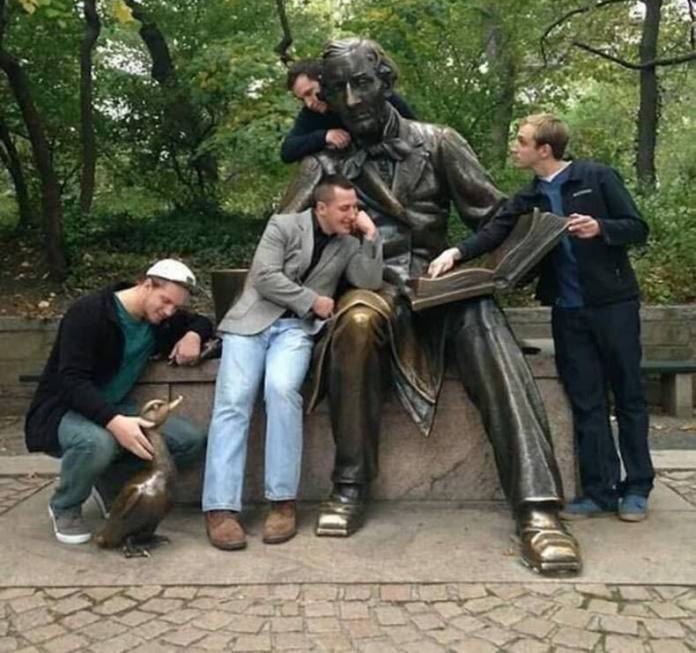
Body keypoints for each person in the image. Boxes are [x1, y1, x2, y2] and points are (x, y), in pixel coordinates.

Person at [280, 38, 581, 575]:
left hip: (439, 284)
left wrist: (498, 264)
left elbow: (495, 218)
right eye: (340, 89)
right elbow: (281, 240)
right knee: (355, 322)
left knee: (487, 324)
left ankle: (539, 510)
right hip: (370, 287)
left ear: (387, 84)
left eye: (363, 83)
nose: (353, 98)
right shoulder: (325, 160)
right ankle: (349, 484)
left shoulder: (438, 142)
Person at [429, 113, 654, 522]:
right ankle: (599, 492)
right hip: (567, 313)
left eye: (521, 141)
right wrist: (455, 253)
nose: (515, 147)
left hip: (614, 306)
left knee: (628, 396)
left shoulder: (597, 177)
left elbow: (637, 227)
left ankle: (636, 487)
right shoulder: (528, 197)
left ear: (543, 149)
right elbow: (493, 232)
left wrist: (600, 227)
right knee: (586, 402)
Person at [202, 175, 383, 551]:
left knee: (283, 391)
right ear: (321, 208)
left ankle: (282, 503)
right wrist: (311, 300)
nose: (353, 214)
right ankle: (220, 509)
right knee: (234, 399)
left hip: (295, 332)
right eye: (345, 208)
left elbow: (369, 280)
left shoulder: (349, 242)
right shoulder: (282, 226)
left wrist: (372, 237)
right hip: (250, 324)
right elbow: (265, 277)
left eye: (355, 208)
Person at [24, 259, 213, 545]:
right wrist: (115, 423)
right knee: (97, 443)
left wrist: (193, 334)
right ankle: (65, 505)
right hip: (65, 409)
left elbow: (202, 321)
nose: (169, 311)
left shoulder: (161, 318)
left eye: (176, 306)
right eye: (165, 301)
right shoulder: (89, 312)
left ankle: (107, 480)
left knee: (189, 440)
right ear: (147, 284)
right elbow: (71, 380)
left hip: (117, 408)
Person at [280, 58, 416, 164]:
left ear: (324, 82)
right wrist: (323, 136)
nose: (309, 103)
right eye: (302, 98)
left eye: (309, 93)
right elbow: (288, 151)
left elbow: (413, 126)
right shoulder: (311, 114)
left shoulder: (370, 94)